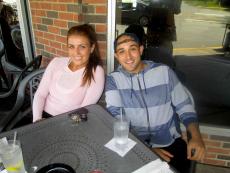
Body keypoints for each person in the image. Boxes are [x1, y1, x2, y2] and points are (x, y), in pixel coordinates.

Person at [105, 33, 205, 173]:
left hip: (170, 142)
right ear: (116, 56)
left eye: (132, 49)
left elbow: (185, 106)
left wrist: (195, 136)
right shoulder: (113, 80)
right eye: (122, 51)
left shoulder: (164, 72)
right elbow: (117, 119)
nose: (128, 56)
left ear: (140, 50)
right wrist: (147, 149)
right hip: (135, 144)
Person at [33, 24, 105, 122]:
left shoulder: (96, 71)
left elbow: (85, 109)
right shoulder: (57, 62)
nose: (76, 52)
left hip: (70, 122)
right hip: (42, 117)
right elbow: (40, 94)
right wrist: (37, 120)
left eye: (82, 47)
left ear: (91, 48)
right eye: (71, 46)